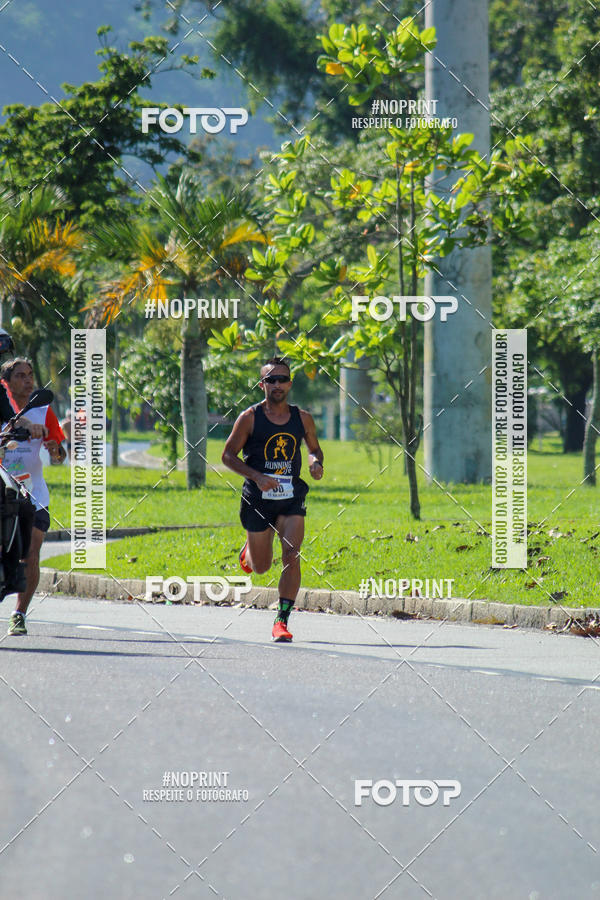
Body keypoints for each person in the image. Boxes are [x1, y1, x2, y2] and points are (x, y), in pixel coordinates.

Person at [222, 357, 324, 642]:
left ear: (290, 383)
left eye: (282, 379)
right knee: (262, 566)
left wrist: (316, 463)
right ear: (262, 385)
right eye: (271, 380)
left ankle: (281, 620)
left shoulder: (301, 418)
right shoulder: (250, 418)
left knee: (292, 554)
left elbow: (315, 449)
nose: (277, 384)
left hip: (291, 497)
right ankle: (249, 551)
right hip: (257, 499)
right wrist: (257, 476)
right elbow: (227, 456)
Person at [1, 358, 66, 635]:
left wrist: (54, 450)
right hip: (3, 491)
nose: (28, 381)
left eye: (30, 375)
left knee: (32, 549)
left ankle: (19, 613)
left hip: (33, 494)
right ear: (6, 382)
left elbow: (60, 456)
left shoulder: (43, 411)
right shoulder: (1, 407)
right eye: (20, 376)